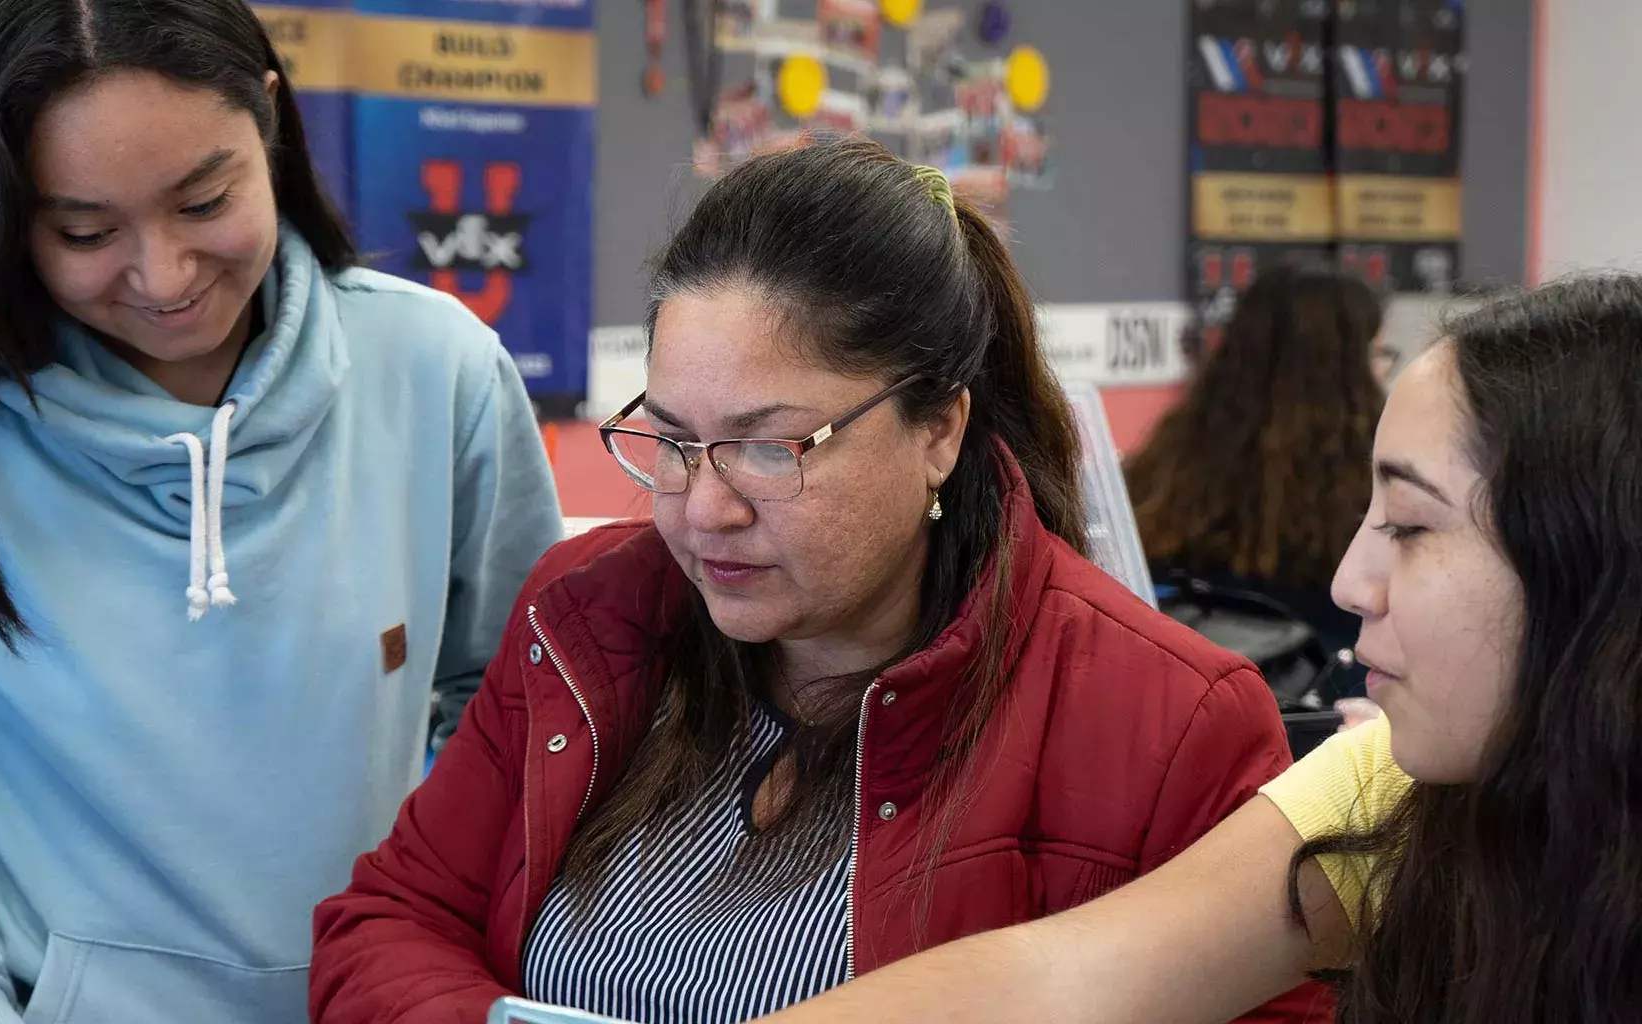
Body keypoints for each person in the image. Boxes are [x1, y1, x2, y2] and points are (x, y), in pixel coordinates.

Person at [309, 139, 1320, 1024]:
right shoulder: (587, 617)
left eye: (770, 448)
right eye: (671, 441)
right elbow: (389, 921)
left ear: (940, 429)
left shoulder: (1169, 720)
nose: (704, 510)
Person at [0, 2, 561, 1022]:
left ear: (270, 120)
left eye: (205, 200)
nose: (163, 276)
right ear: (0, 210)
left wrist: (439, 971)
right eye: (84, 230)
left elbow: (522, 717)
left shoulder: (439, 370)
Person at [757, 275, 1642, 1024]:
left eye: (1409, 526)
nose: (1350, 581)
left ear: (1593, 562)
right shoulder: (1397, 789)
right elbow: (1063, 977)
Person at [1124, 264, 1387, 688]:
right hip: (1331, 710)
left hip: (1201, 699)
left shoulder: (1169, 471)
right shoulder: (1376, 488)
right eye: (1379, 354)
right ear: (1351, 367)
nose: (1384, 373)